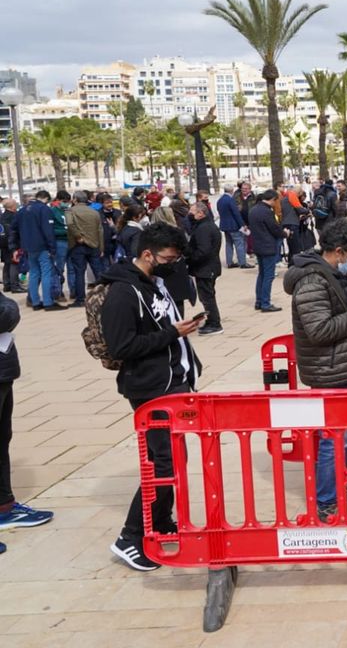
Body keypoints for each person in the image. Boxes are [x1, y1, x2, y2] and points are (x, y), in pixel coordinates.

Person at [101, 222, 204, 572]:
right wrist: (170, 334)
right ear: (147, 254)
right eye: (168, 258)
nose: (172, 264)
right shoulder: (123, 293)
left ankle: (159, 522)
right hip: (150, 389)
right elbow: (122, 346)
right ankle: (130, 536)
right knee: (163, 465)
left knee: (173, 462)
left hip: (171, 384)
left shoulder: (153, 284)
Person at [282, 218, 347, 522]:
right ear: (338, 251)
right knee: (334, 438)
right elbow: (320, 330)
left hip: (341, 364)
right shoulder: (313, 280)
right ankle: (326, 501)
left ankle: (337, 486)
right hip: (330, 368)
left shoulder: (327, 274)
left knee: (343, 436)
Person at [0, 285, 54, 550]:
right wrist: (9, 309)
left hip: (3, 368)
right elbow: (5, 314)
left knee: (2, 439)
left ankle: (5, 507)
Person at [14, 191, 65, 311]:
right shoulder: (44, 209)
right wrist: (52, 248)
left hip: (28, 247)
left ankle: (35, 302)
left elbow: (14, 229)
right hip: (42, 246)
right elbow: (48, 230)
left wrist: (18, 246)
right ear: (46, 198)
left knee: (34, 273)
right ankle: (48, 302)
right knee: (46, 273)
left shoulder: (22, 210)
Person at [150, 206, 195, 316]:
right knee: (177, 303)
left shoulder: (150, 232)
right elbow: (186, 250)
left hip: (157, 268)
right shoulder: (176, 232)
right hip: (176, 270)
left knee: (159, 302)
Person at [187, 203, 224, 336]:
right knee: (207, 295)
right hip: (207, 267)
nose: (190, 214)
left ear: (201, 213)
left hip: (206, 268)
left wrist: (190, 259)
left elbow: (203, 250)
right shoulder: (204, 226)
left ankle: (215, 323)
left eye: (192, 212)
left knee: (207, 296)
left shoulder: (204, 228)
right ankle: (211, 320)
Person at [66, 191, 106, 308]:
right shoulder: (95, 212)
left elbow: (69, 224)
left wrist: (78, 236)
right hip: (94, 245)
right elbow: (100, 230)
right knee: (98, 271)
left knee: (79, 272)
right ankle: (103, 296)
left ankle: (80, 299)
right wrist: (101, 247)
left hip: (77, 246)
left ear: (75, 200)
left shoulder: (69, 211)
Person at [248, 190, 284, 312]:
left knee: (262, 274)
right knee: (268, 275)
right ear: (273, 199)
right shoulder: (267, 212)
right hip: (268, 246)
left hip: (258, 245)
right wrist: (285, 233)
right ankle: (265, 303)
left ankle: (259, 301)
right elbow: (274, 228)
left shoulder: (253, 209)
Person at [216, 184, 250, 269]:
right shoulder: (231, 200)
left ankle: (229, 262)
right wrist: (242, 224)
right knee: (239, 243)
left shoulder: (220, 200)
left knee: (229, 244)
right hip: (233, 225)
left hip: (225, 225)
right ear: (231, 191)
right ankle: (242, 262)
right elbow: (236, 214)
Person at [50, 191, 71, 303]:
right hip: (59, 242)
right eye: (64, 201)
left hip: (70, 242)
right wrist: (65, 231)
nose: (66, 204)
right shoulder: (52, 211)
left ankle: (74, 291)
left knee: (71, 269)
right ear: (58, 200)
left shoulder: (68, 210)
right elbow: (51, 228)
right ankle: (58, 292)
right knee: (59, 268)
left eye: (67, 202)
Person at [1, 200, 23, 294]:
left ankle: (7, 285)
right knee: (14, 263)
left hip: (2, 242)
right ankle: (15, 286)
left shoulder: (1, 216)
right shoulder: (14, 216)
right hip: (13, 242)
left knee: (7, 263)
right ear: (12, 206)